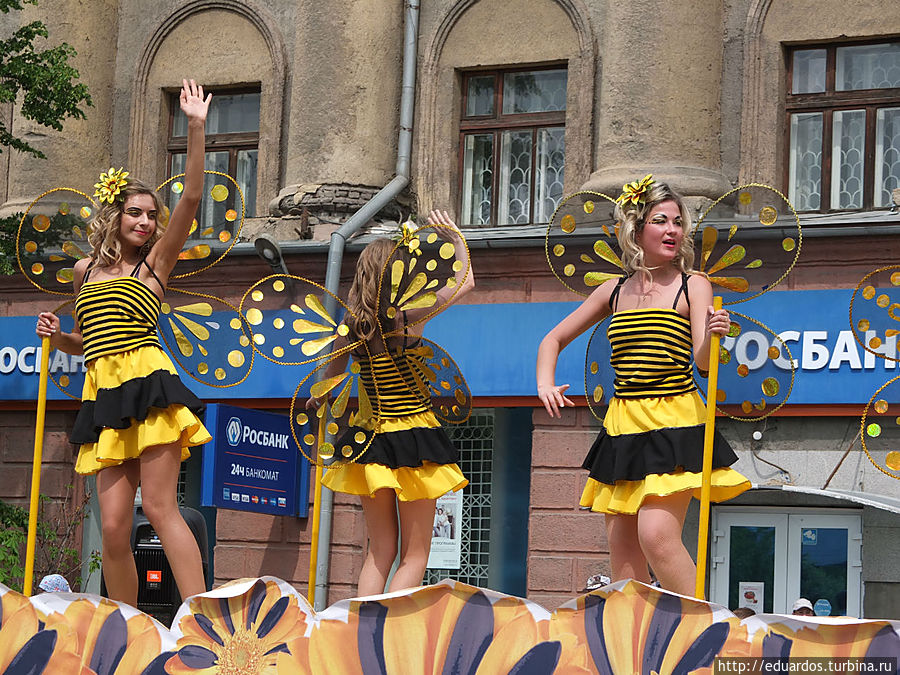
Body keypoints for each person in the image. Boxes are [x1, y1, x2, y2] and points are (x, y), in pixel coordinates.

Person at [35, 80, 212, 606]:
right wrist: (58, 337)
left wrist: (196, 127)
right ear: (114, 216)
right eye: (136, 212)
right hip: (103, 392)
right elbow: (89, 343)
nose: (145, 222)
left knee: (159, 507)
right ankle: (128, 623)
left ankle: (201, 617)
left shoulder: (155, 264)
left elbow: (193, 197)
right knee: (113, 525)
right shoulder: (84, 271)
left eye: (151, 215)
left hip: (149, 386)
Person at [536, 178, 750, 596]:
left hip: (674, 418)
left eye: (678, 222)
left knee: (656, 536)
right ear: (636, 230)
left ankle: (701, 623)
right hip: (623, 424)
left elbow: (703, 363)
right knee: (623, 555)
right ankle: (637, 633)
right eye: (661, 221)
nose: (673, 230)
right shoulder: (612, 291)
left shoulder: (693, 284)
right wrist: (545, 382)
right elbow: (553, 339)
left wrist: (715, 335)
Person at [308, 210, 473, 595]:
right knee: (416, 555)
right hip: (415, 437)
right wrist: (455, 238)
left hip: (370, 441)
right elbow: (466, 283)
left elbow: (328, 382)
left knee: (379, 552)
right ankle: (392, 624)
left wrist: (319, 402)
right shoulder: (407, 317)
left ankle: (363, 623)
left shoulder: (351, 326)